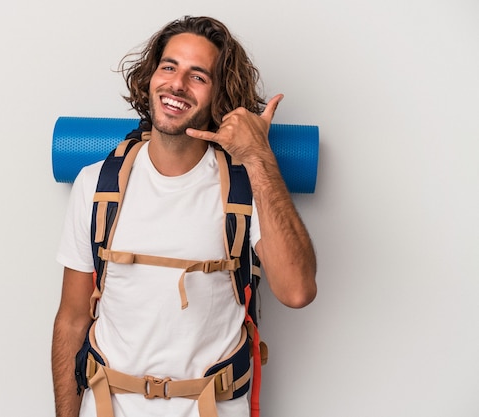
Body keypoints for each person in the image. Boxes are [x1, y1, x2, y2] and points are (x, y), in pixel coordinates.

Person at [51, 16, 317, 417]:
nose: (177, 84)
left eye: (198, 76)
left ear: (219, 96)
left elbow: (297, 291)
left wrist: (259, 158)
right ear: (151, 77)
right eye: (169, 67)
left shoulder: (245, 190)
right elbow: (72, 320)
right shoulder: (96, 184)